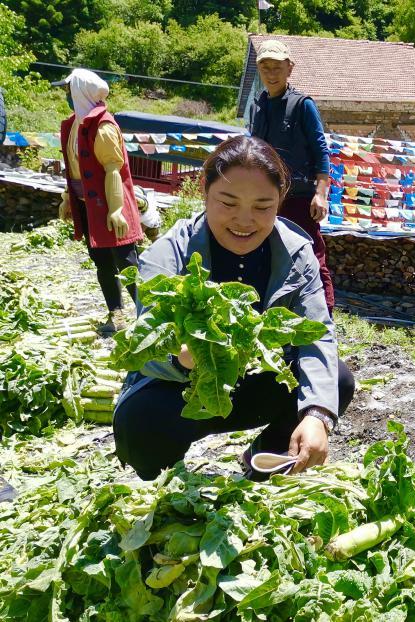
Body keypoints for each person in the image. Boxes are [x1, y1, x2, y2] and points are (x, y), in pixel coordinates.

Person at [112, 135, 355, 481]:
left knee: (338, 381)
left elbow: (317, 336)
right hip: (181, 389)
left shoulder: (298, 254)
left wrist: (318, 415)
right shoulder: (168, 254)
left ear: (280, 202)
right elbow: (143, 347)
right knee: (138, 424)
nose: (244, 221)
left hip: (253, 383)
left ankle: (262, 460)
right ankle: (165, 480)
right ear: (205, 194)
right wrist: (183, 357)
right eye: (227, 202)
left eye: (262, 206)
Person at [247, 39, 335, 314]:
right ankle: (272, 313)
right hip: (266, 198)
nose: (271, 73)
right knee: (264, 253)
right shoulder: (258, 105)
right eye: (265, 67)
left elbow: (321, 151)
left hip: (299, 197)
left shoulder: (303, 105)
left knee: (311, 255)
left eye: (277, 67)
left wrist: (320, 194)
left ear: (290, 69)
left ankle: (325, 318)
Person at [54, 69, 143, 334]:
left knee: (127, 262)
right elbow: (74, 168)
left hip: (109, 204)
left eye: (68, 91)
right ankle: (116, 314)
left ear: (79, 93)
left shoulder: (103, 127)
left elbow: (113, 170)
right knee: (101, 261)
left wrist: (116, 209)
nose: (66, 96)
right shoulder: (73, 125)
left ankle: (148, 312)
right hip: (88, 205)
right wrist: (69, 199)